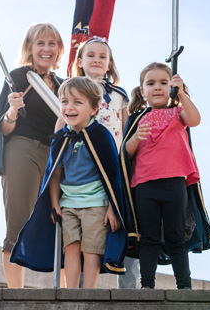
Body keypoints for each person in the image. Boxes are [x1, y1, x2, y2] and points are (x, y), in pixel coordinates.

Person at [10, 76, 127, 288]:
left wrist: (113, 207)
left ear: (93, 108)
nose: (69, 107)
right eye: (64, 102)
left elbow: (112, 174)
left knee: (91, 249)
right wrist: (54, 203)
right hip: (69, 204)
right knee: (70, 247)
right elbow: (54, 172)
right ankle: (71, 290)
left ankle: (88, 291)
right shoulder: (61, 137)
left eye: (77, 102)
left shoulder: (101, 135)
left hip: (96, 203)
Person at [0, 22, 65, 288]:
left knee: (62, 222)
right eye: (40, 43)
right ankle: (16, 293)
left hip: (55, 158)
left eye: (52, 43)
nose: (46, 48)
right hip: (23, 150)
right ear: (30, 47)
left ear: (59, 49)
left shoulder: (64, 86)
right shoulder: (19, 77)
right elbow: (4, 128)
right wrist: (13, 111)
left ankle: (67, 290)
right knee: (19, 222)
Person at [121, 62, 210, 290]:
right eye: (151, 83)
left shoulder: (178, 113)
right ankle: (147, 286)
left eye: (164, 83)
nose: (157, 87)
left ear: (171, 87)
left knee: (175, 236)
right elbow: (125, 152)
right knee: (149, 237)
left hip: (175, 183)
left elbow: (195, 119)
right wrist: (135, 138)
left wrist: (181, 93)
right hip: (145, 186)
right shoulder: (136, 118)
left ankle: (184, 285)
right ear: (142, 90)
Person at [72, 37, 139, 289]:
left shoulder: (119, 96)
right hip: (84, 168)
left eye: (103, 56)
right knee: (83, 231)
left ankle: (130, 292)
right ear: (80, 62)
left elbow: (127, 132)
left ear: (110, 63)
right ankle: (80, 291)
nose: (97, 60)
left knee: (123, 223)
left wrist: (127, 165)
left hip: (114, 167)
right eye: (91, 55)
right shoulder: (70, 91)